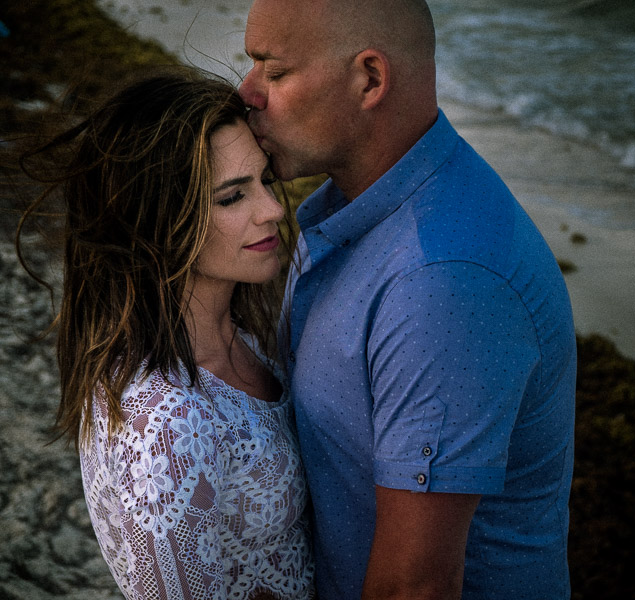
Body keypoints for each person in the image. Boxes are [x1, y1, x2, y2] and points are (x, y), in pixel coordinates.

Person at [239, 0, 577, 598]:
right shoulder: (353, 209)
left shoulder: (439, 281)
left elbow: (413, 588)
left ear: (369, 79)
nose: (248, 93)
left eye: (273, 69)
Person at [16, 70, 314, 600]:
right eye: (231, 197)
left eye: (265, 181)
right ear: (156, 221)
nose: (272, 210)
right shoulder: (166, 427)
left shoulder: (249, 333)